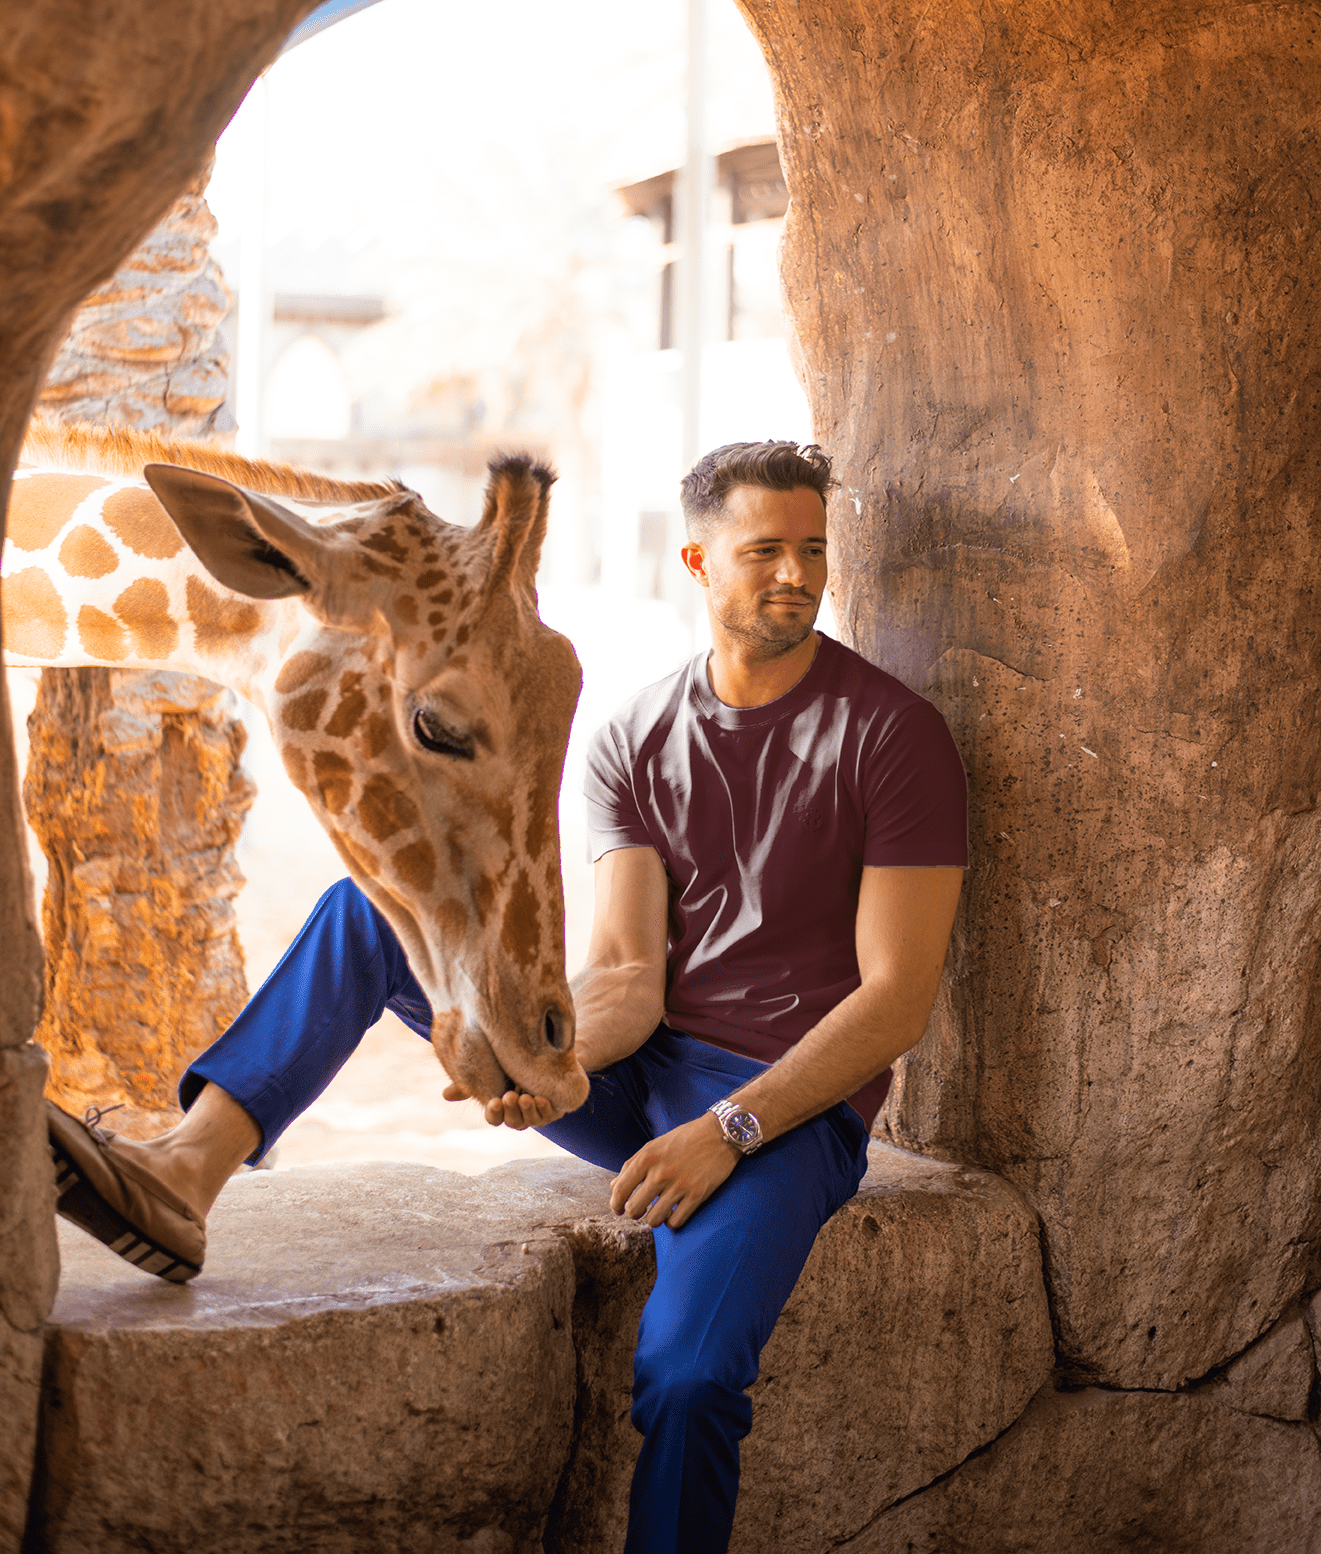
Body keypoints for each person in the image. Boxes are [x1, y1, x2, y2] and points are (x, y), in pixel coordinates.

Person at [48, 440, 966, 1553]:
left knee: (686, 1377)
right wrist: (556, 1061)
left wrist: (729, 1130)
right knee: (365, 910)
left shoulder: (893, 735)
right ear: (696, 559)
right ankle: (187, 1169)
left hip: (787, 1115)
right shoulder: (636, 732)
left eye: (811, 549)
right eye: (763, 548)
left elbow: (895, 1002)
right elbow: (628, 967)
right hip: (648, 1074)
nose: (795, 573)